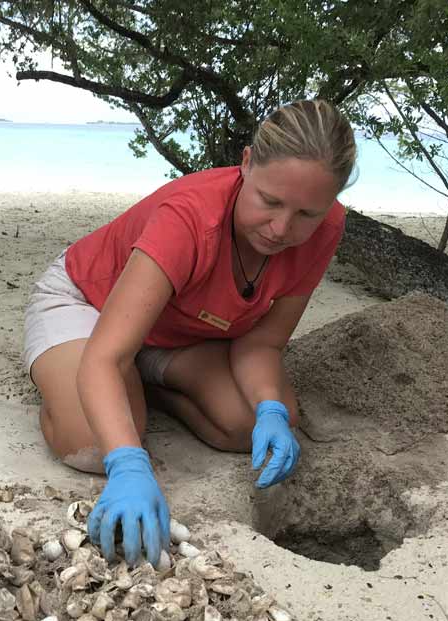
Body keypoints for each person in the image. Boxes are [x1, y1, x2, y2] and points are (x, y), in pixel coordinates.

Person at [23, 99, 357, 567]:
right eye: (270, 201)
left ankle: (145, 388)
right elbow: (105, 357)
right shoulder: (190, 217)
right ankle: (76, 384)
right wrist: (129, 463)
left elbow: (261, 342)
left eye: (307, 214)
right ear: (245, 164)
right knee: (96, 445)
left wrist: (271, 409)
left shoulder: (328, 228)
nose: (282, 228)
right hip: (87, 304)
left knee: (249, 425)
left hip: (177, 330)